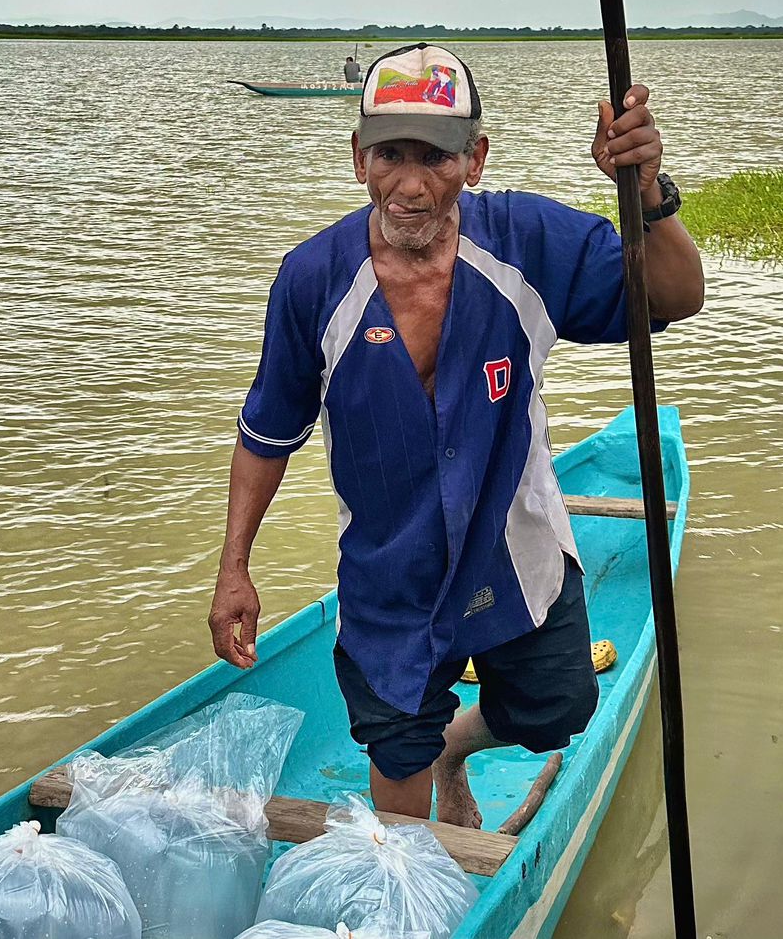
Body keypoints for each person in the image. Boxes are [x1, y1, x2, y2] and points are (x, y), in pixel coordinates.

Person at [208, 43, 704, 825]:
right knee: (395, 747)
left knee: (558, 708)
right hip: (389, 566)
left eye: (436, 157)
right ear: (359, 159)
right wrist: (234, 568)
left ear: (474, 160)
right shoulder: (313, 280)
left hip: (516, 549)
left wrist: (648, 197)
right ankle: (415, 850)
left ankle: (454, 748)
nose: (410, 186)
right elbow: (268, 433)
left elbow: (675, 297)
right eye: (390, 155)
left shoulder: (526, 243)